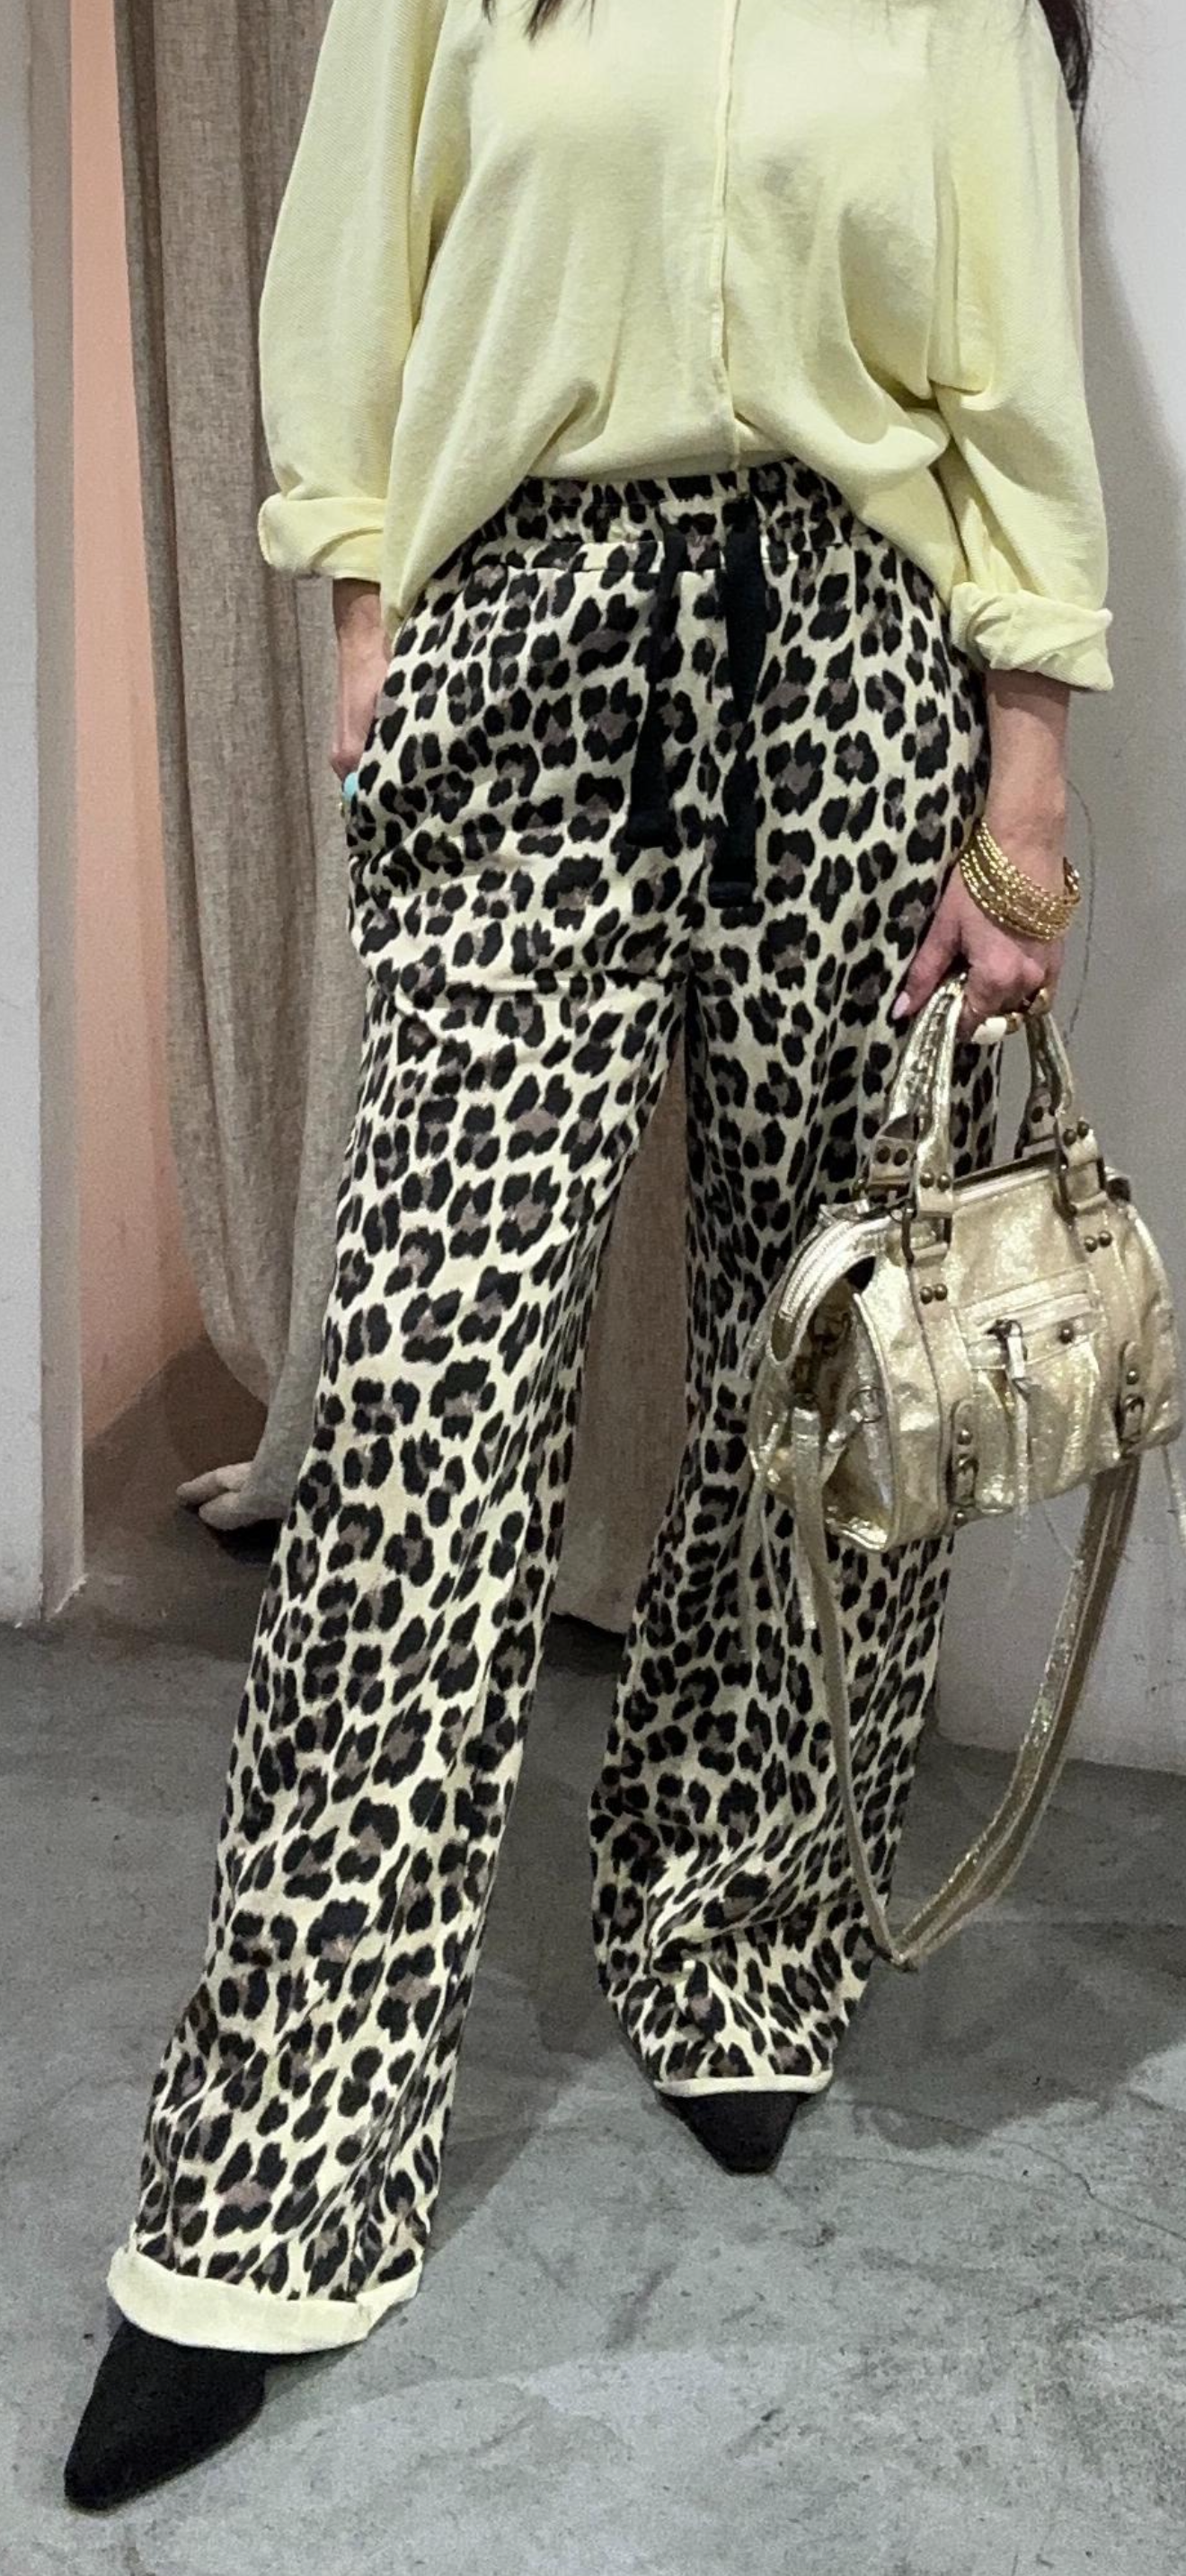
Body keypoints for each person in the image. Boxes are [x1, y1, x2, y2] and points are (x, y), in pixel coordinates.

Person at [65, 0, 1111, 2512]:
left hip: (857, 655)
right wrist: (365, 626)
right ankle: (283, 2151)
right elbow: (352, 273)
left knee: (820, 1344)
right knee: (423, 1395)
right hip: (526, 637)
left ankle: (740, 1926)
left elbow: (1009, 358)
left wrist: (1031, 777)